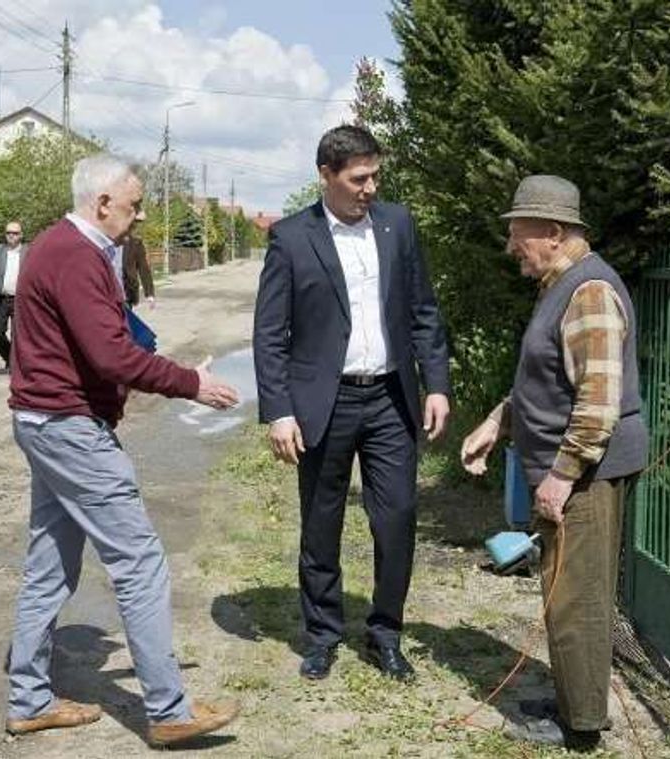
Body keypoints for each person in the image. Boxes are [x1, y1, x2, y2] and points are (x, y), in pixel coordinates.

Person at [4, 153, 241, 746]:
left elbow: (110, 337)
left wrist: (169, 364)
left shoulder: (59, 247)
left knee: (49, 566)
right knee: (139, 564)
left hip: (44, 422)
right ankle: (169, 711)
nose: (139, 218)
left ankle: (29, 698)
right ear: (102, 202)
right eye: (134, 206)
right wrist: (191, 383)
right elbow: (111, 356)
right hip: (69, 428)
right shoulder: (76, 255)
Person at [252, 125, 451, 682]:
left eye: (375, 176)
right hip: (325, 402)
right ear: (326, 176)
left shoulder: (398, 226)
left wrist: (436, 383)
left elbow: (423, 311)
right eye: (358, 178)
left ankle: (386, 633)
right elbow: (270, 333)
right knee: (322, 522)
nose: (370, 187)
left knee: (397, 519)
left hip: (391, 398)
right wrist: (279, 411)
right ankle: (322, 634)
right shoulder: (292, 238)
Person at [459, 175, 649, 753]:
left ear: (553, 231)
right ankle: (576, 700)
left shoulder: (589, 292)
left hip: (586, 475)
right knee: (564, 589)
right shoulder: (559, 284)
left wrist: (562, 477)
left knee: (579, 597)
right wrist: (498, 421)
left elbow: (597, 401)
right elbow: (546, 382)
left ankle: (583, 726)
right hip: (569, 471)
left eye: (518, 234)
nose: (511, 246)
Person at [0, 221, 27, 369]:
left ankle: (15, 363)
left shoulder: (28, 251)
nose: (11, 236)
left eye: (15, 233)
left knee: (18, 334)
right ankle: (9, 357)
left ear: (21, 235)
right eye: (8, 233)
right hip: (1, 298)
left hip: (20, 299)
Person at [122, 233, 155, 308]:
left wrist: (149, 294)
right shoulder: (106, 239)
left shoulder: (136, 243)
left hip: (127, 291)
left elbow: (143, 268)